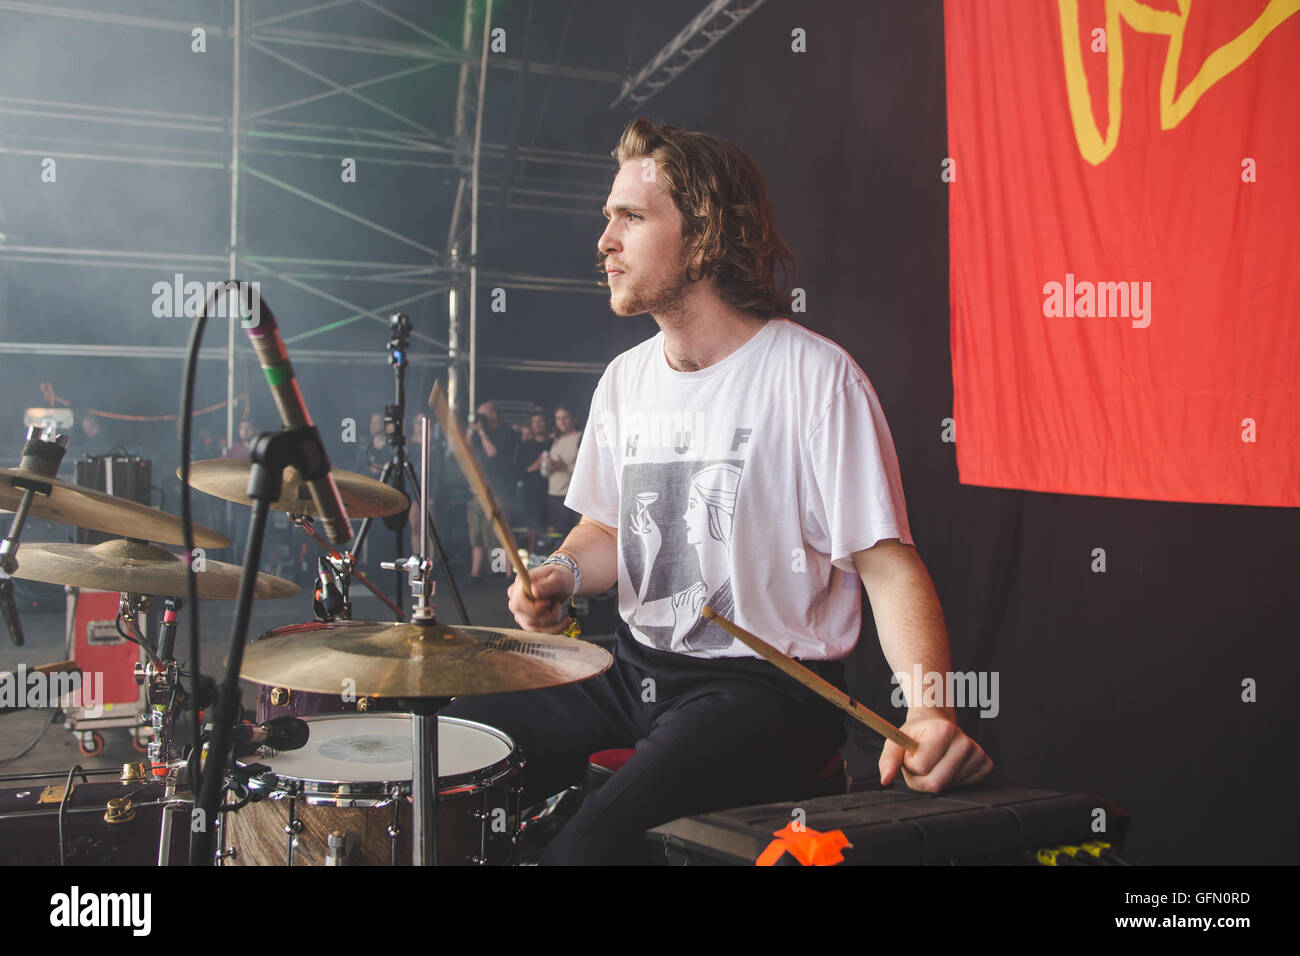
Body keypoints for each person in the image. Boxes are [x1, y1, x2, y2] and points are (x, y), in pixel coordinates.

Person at [443, 118, 992, 864]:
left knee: (585, 855)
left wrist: (929, 709)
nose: (604, 240)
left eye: (630, 218)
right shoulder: (624, 380)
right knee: (450, 741)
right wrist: (563, 575)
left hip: (766, 694)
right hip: (633, 670)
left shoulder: (815, 379)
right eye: (608, 218)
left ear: (703, 237)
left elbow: (889, 568)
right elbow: (603, 532)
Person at [465, 401, 518, 584]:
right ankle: (475, 574)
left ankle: (507, 573)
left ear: (494, 414)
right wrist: (472, 431)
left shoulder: (506, 432)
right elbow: (465, 450)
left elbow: (492, 453)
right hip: (479, 491)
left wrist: (481, 432)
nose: (482, 419)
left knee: (501, 533)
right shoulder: (480, 433)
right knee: (477, 533)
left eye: (484, 414)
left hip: (500, 490)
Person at [542, 405, 582, 535]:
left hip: (569, 496)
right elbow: (545, 473)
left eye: (565, 417)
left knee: (567, 537)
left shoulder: (580, 437)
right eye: (558, 418)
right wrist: (547, 465)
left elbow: (586, 469)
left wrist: (563, 467)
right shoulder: (556, 440)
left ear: (574, 419)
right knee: (554, 537)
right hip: (553, 494)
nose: (562, 422)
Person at [515, 409, 551, 547]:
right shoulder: (524, 446)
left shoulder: (554, 444)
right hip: (531, 495)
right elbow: (517, 472)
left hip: (553, 494)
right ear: (530, 424)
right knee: (532, 530)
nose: (538, 425)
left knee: (552, 532)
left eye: (541, 421)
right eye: (535, 422)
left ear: (546, 423)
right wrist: (534, 466)